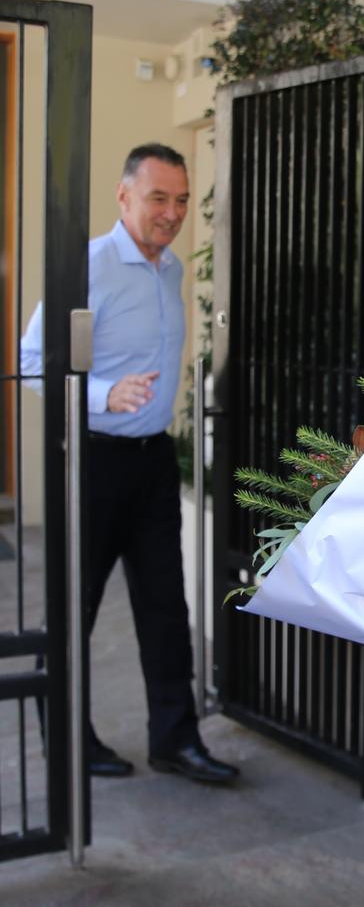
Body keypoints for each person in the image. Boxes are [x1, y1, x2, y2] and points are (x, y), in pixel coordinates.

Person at [21, 144, 238, 784]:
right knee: (76, 608)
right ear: (124, 197)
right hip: (92, 463)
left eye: (179, 200)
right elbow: (34, 359)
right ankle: (67, 741)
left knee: (166, 608)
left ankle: (175, 739)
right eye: (157, 198)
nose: (171, 213)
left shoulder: (169, 269)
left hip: (150, 465)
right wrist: (100, 394)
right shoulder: (86, 265)